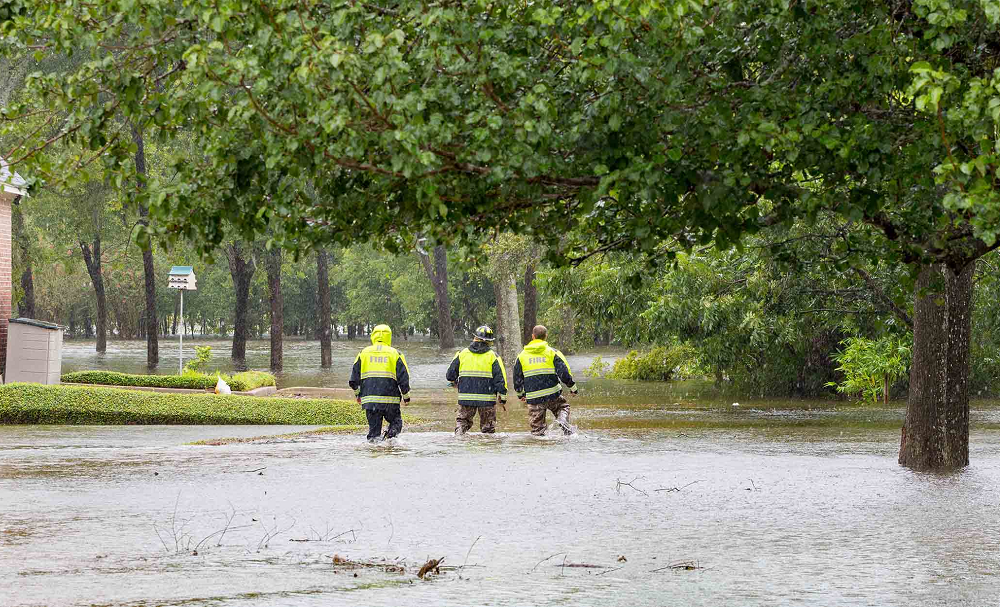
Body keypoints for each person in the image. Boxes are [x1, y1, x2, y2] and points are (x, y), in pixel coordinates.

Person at [349, 324, 411, 442]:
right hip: (390, 402)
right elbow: (404, 379)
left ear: (373, 336)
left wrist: (358, 395)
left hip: (370, 402)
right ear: (389, 337)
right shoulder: (396, 354)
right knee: (396, 424)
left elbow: (353, 380)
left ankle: (374, 453)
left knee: (373, 434)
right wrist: (406, 397)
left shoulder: (363, 353)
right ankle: (389, 444)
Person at [513, 325, 578, 436]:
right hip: (552, 394)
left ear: (533, 336)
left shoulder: (521, 356)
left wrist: (520, 394)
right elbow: (564, 373)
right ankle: (562, 420)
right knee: (563, 407)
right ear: (546, 336)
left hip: (534, 398)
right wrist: (573, 388)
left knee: (537, 431)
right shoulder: (552, 352)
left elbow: (517, 378)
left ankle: (539, 445)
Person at [446, 325, 508, 434]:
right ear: (489, 342)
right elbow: (500, 380)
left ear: (475, 338)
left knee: (462, 423)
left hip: (466, 398)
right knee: (488, 428)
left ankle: (458, 442)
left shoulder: (462, 354)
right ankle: (486, 448)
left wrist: (456, 382)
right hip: (487, 400)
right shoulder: (494, 356)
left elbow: (449, 375)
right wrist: (503, 398)